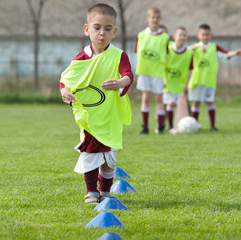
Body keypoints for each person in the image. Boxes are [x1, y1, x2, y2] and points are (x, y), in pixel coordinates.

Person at [59, 3, 133, 204]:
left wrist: (119, 82)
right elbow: (66, 80)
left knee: (109, 158)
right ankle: (91, 191)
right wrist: (64, 92)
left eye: (108, 29)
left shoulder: (119, 55)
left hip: (111, 116)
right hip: (90, 117)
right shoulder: (81, 58)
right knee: (90, 156)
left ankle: (105, 192)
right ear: (87, 29)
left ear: (114, 31)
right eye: (97, 28)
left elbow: (128, 75)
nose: (102, 33)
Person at [188, 24, 241, 131]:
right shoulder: (195, 47)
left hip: (209, 81)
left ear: (211, 35)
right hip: (197, 80)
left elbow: (225, 54)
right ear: (198, 35)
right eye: (203, 35)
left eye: (207, 34)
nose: (205, 37)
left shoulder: (214, 47)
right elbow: (186, 49)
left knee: (210, 102)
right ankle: (195, 125)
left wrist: (235, 53)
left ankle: (212, 126)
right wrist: (199, 47)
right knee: (196, 102)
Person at [135, 8, 169, 135]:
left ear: (160, 19)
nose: (155, 20)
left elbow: (167, 55)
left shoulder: (165, 37)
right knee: (145, 98)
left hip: (158, 72)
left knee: (159, 99)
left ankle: (160, 127)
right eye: (152, 17)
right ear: (148, 18)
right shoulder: (141, 35)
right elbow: (136, 52)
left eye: (157, 18)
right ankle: (145, 127)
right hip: (145, 71)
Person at [163, 26, 194, 134]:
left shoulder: (189, 53)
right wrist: (162, 79)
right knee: (170, 103)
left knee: (181, 107)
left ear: (186, 38)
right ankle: (170, 127)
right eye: (180, 35)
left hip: (180, 84)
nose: (182, 37)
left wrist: (187, 84)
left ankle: (180, 126)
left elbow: (190, 70)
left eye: (184, 35)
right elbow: (161, 64)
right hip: (168, 82)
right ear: (174, 36)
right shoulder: (167, 49)